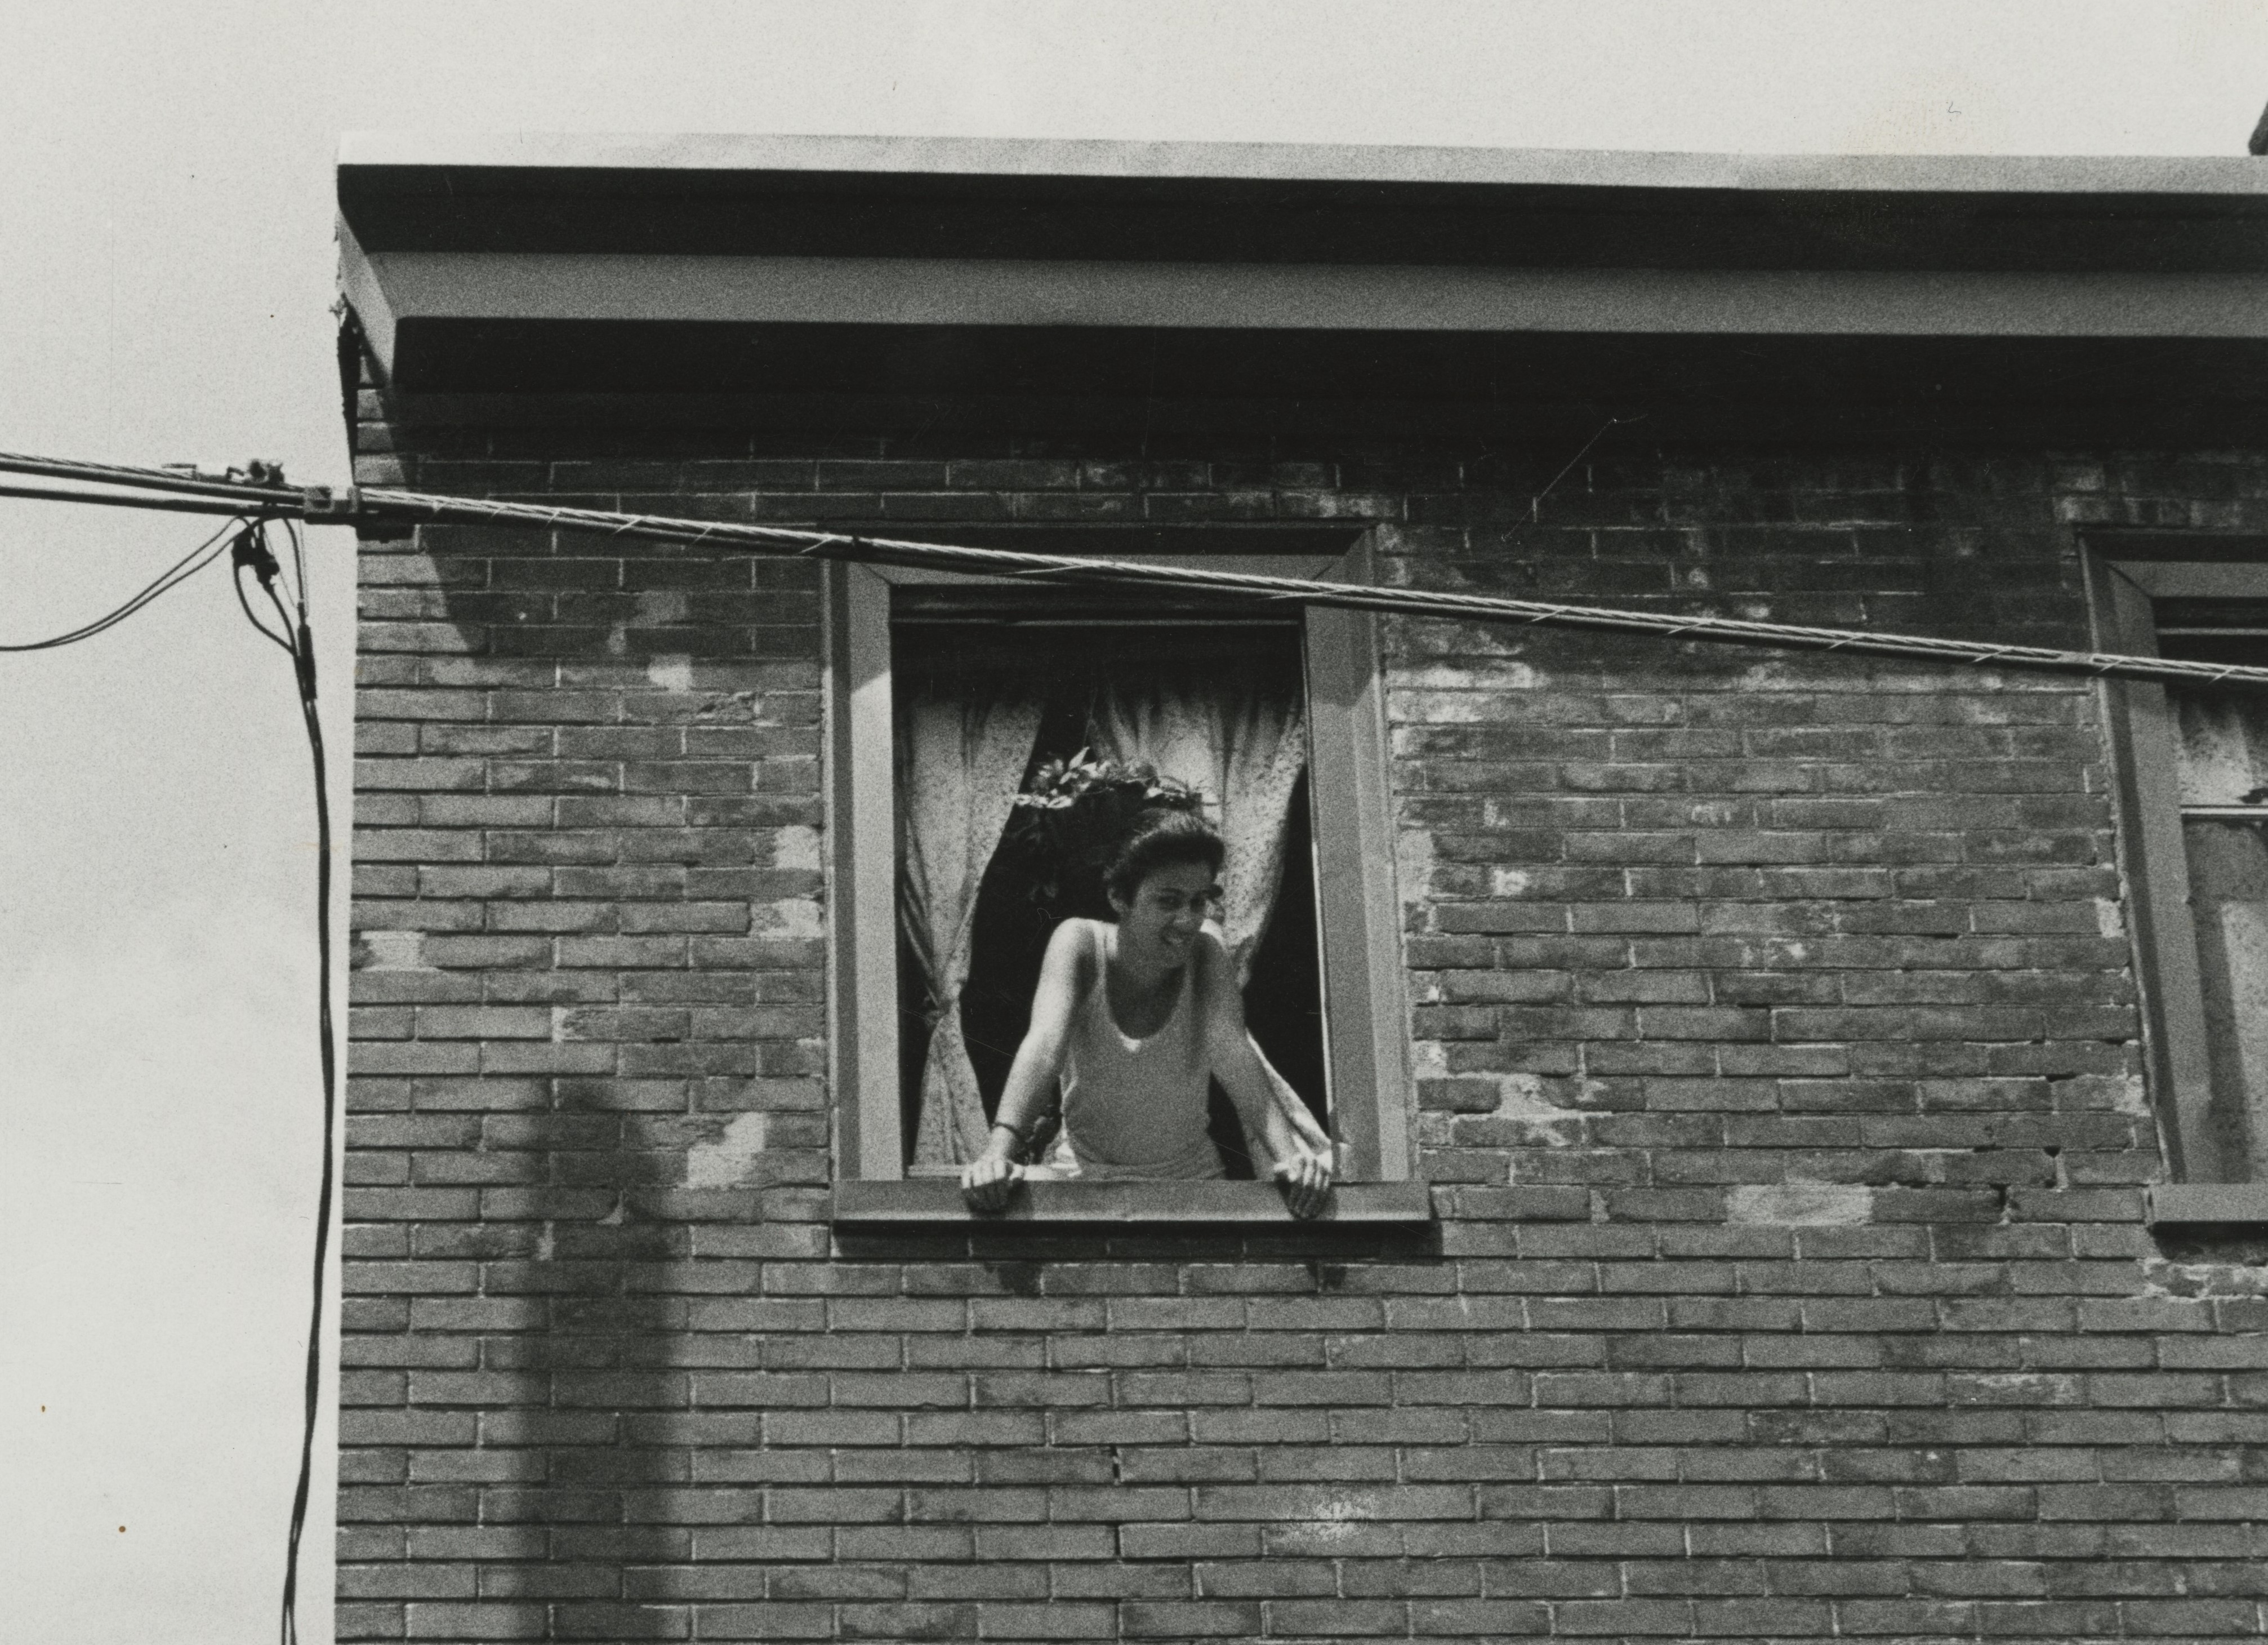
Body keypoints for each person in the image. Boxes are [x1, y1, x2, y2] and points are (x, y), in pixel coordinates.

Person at [960, 808, 1336, 1217]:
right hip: (1082, 1178)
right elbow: (1044, 1049)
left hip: (1190, 1183)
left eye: (1198, 901)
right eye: (1168, 901)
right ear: (1119, 898)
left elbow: (1234, 1055)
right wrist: (997, 1154)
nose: (1187, 920)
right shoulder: (1080, 944)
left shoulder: (1208, 955)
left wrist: (1290, 1157)